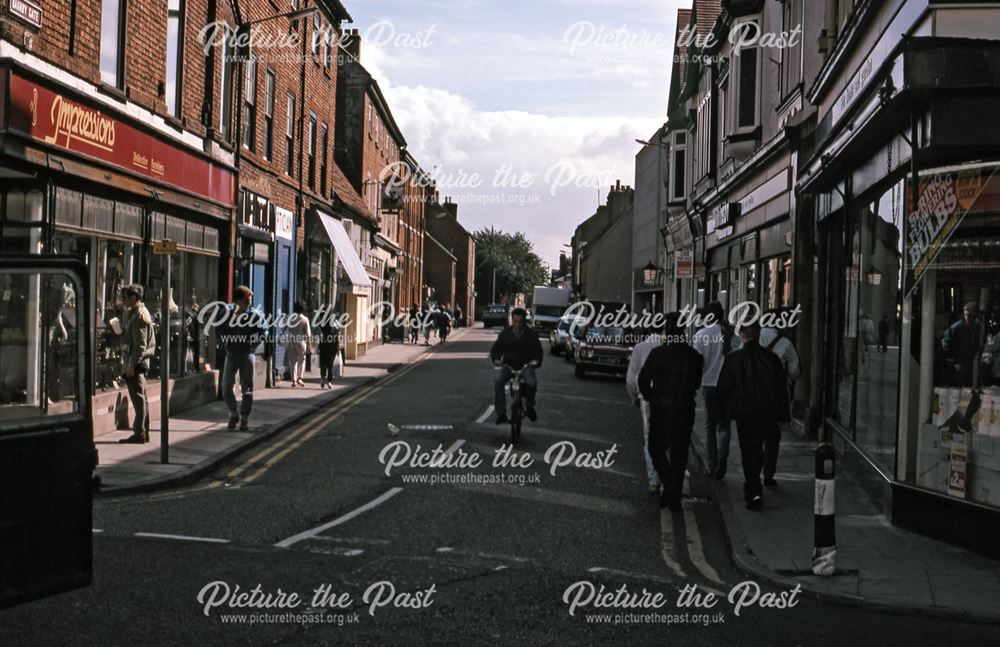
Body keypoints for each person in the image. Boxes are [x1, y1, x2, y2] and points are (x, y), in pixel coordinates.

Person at [717, 321, 790, 510]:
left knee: (749, 451)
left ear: (742, 335)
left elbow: (723, 389)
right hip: (767, 412)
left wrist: (722, 415)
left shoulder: (734, 359)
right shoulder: (772, 358)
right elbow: (782, 390)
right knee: (757, 450)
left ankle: (754, 491)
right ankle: (754, 487)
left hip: (744, 413)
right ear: (758, 335)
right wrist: (784, 416)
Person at [637, 312, 704, 511]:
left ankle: (670, 485)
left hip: (661, 408)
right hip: (684, 409)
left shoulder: (658, 353)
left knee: (655, 448)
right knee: (679, 453)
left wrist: (651, 397)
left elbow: (642, 379)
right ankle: (673, 496)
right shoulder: (694, 356)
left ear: (667, 329)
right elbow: (697, 383)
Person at [691, 301, 737, 480]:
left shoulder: (701, 335)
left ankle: (712, 464)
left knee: (710, 426)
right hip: (727, 386)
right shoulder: (732, 335)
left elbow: (697, 364)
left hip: (709, 385)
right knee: (724, 425)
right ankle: (723, 458)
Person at [759, 312, 801, 487]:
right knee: (773, 436)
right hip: (776, 396)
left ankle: (754, 469)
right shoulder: (785, 343)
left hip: (755, 392)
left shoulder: (755, 337)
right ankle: (768, 473)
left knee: (754, 434)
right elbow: (794, 371)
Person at [217, 285, 266, 431]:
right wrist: (222, 343)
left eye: (250, 300)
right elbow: (218, 327)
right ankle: (233, 413)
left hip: (247, 354)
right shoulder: (226, 312)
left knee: (247, 389)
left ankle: (244, 418)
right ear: (238, 300)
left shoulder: (254, 314)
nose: (249, 303)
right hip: (231, 355)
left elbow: (264, 330)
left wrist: (255, 344)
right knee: (226, 387)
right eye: (247, 300)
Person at [625, 328, 663, 494]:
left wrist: (634, 397)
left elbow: (630, 378)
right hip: (667, 398)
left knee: (649, 438)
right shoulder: (669, 346)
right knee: (666, 438)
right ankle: (665, 479)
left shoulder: (640, 347)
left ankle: (653, 480)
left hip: (646, 398)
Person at [490, 307, 544, 424]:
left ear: (524, 321)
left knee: (531, 382)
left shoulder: (531, 335)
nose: (517, 324)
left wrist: (536, 361)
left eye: (520, 322)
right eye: (515, 321)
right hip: (509, 366)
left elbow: (538, 352)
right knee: (498, 381)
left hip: (526, 366)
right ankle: (501, 413)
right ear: (511, 320)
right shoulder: (505, 334)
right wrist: (496, 359)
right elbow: (496, 349)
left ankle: (529, 406)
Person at [119, 284, 156, 444]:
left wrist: (131, 365)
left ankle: (139, 433)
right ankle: (143, 432)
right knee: (142, 400)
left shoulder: (139, 315)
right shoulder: (137, 313)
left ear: (134, 297)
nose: (123, 300)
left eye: (125, 297)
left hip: (137, 363)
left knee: (139, 400)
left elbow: (140, 345)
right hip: (139, 362)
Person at [942, 301, 979, 387]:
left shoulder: (975, 327)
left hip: (969, 362)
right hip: (958, 363)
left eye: (970, 315)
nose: (967, 318)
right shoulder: (956, 328)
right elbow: (946, 343)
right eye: (966, 315)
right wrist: (954, 361)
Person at [284, 301, 312, 387]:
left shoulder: (289, 317)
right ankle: (300, 378)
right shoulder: (305, 319)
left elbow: (283, 328)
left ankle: (294, 381)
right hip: (301, 342)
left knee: (293, 361)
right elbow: (308, 333)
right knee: (302, 360)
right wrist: (309, 344)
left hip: (291, 341)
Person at [317, 315, 340, 389]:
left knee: (323, 364)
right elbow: (337, 337)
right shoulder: (334, 327)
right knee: (330, 365)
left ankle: (323, 379)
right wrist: (337, 347)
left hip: (324, 347)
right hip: (332, 348)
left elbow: (319, 337)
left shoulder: (321, 326)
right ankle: (329, 381)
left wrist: (318, 346)